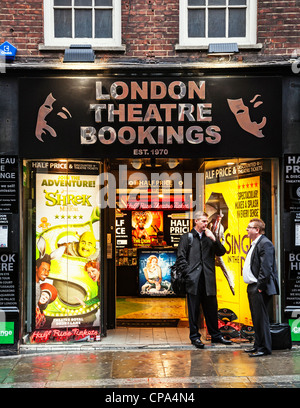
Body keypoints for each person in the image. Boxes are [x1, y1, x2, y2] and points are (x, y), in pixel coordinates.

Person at [176, 211, 232, 348]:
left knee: (212, 309)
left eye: (206, 222)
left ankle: (216, 336)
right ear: (196, 221)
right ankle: (195, 337)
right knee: (194, 311)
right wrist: (188, 274)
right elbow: (181, 258)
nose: (205, 224)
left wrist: (214, 238)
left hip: (208, 280)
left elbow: (221, 252)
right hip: (193, 280)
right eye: (203, 221)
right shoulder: (187, 237)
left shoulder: (209, 237)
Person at [243, 218, 279, 357]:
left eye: (249, 227)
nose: (247, 229)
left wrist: (260, 286)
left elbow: (266, 267)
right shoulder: (255, 244)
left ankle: (264, 348)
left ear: (257, 230)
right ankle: (257, 345)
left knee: (261, 319)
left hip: (259, 288)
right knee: (256, 318)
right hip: (253, 286)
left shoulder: (265, 244)